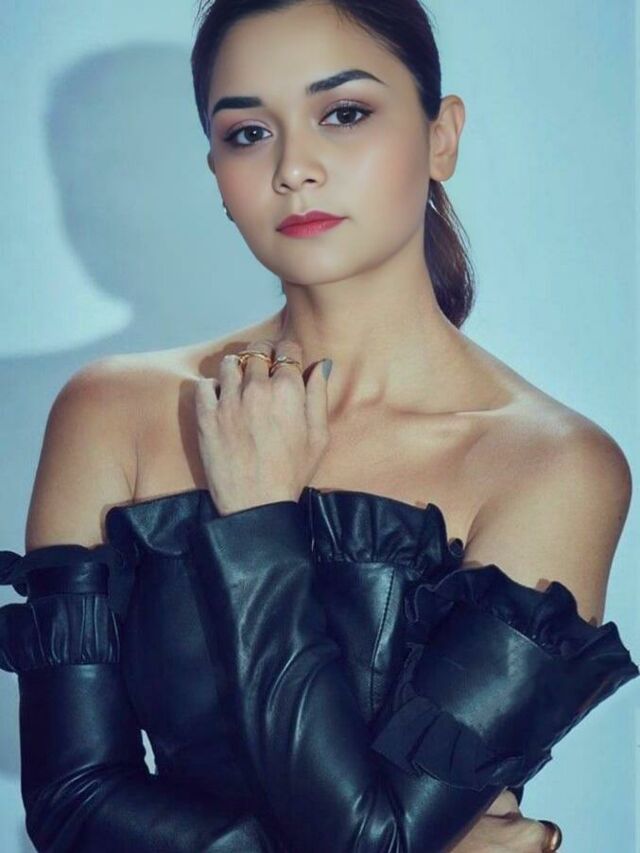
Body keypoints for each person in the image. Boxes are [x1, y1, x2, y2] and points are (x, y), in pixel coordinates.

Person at [0, 1, 637, 851]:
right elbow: (71, 803)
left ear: (441, 137)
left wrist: (258, 518)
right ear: (217, 173)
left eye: (343, 113)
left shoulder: (550, 466)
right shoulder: (111, 412)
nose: (294, 168)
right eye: (248, 133)